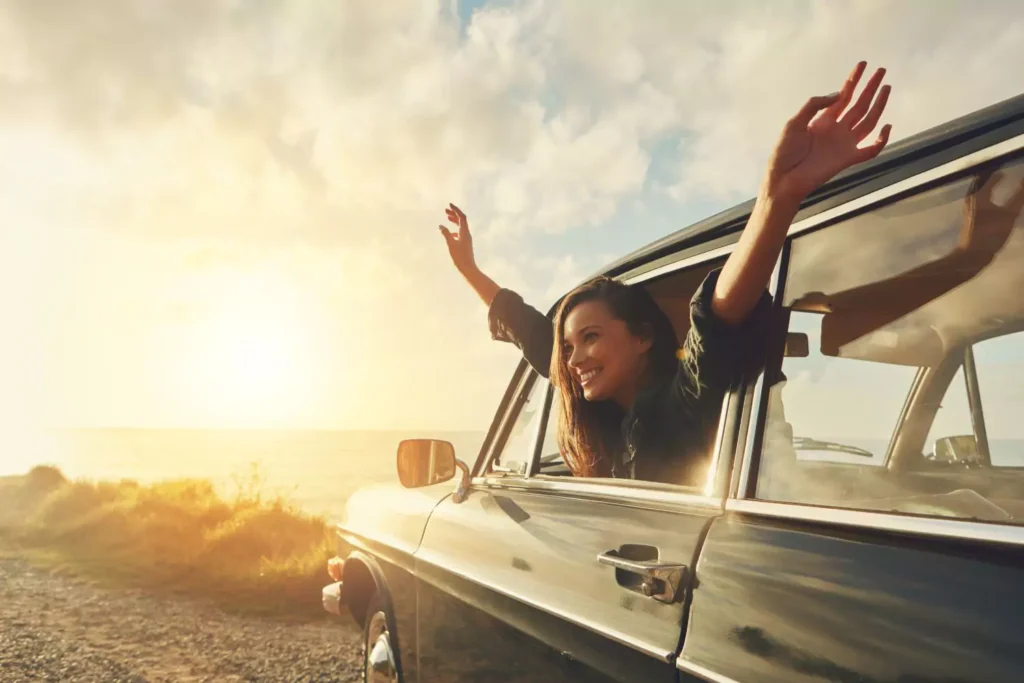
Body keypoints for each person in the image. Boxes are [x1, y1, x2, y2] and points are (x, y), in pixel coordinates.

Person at [438, 61, 893, 486]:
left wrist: (777, 199)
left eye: (591, 337)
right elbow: (533, 335)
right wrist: (469, 270)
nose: (574, 359)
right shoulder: (602, 410)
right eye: (571, 346)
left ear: (642, 338)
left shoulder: (679, 408)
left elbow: (714, 323)